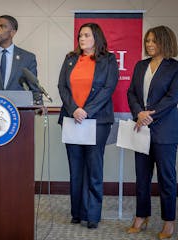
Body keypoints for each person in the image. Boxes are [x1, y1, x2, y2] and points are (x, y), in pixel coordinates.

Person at [57, 23, 119, 229]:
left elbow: (108, 88)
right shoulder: (70, 58)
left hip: (97, 120)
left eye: (86, 35)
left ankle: (92, 215)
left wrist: (87, 111)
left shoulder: (108, 60)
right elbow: (62, 86)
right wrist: (74, 108)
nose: (82, 39)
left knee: (93, 168)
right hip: (71, 118)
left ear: (96, 38)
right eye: (80, 35)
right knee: (76, 169)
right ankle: (77, 212)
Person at [127, 26, 178, 239]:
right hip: (141, 128)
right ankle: (141, 216)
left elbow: (172, 98)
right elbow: (131, 92)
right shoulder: (140, 65)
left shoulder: (177, 67)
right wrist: (138, 114)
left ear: (165, 42)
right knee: (142, 177)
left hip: (165, 131)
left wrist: (148, 115)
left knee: (166, 178)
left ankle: (169, 221)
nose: (150, 44)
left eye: (154, 41)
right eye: (148, 40)